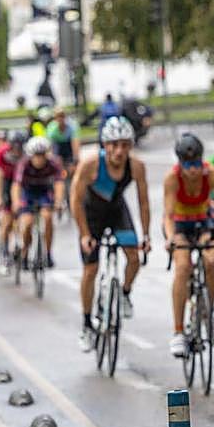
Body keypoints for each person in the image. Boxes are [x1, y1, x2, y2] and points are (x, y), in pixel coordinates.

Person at [71, 117, 150, 351]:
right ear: (105, 145)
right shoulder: (91, 164)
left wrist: (146, 235)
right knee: (91, 269)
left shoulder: (136, 166)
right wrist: (84, 234)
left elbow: (143, 202)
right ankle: (87, 324)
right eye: (114, 145)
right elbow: (75, 200)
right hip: (91, 214)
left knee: (134, 258)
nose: (119, 151)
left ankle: (124, 293)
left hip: (116, 211)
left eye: (125, 145)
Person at [162, 133, 214, 357]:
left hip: (204, 222)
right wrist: (170, 238)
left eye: (197, 163)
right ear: (180, 164)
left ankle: (208, 311)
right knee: (183, 267)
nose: (194, 170)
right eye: (188, 165)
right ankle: (178, 331)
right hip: (180, 225)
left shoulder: (213, 173)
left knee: (211, 261)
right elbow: (168, 216)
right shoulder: (172, 178)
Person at [11, 136, 65, 269]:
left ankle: (48, 253)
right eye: (36, 155)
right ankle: (25, 252)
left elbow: (59, 183)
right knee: (27, 223)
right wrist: (16, 201)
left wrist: (58, 201)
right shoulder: (24, 164)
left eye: (42, 155)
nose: (39, 159)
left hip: (44, 193)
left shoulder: (53, 163)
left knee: (47, 217)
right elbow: (16, 185)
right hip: (28, 193)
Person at [0, 130, 28, 272]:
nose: (17, 150)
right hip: (6, 181)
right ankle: (5, 251)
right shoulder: (1, 153)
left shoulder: (27, 154)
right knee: (7, 219)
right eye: (14, 147)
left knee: (23, 216)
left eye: (20, 147)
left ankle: (23, 248)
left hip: (22, 182)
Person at [46, 107, 79, 174]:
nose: (60, 119)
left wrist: (75, 159)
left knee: (71, 167)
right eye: (57, 117)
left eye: (62, 116)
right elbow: (50, 145)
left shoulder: (72, 126)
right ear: (55, 118)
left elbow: (75, 143)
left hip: (68, 144)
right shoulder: (51, 128)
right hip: (57, 144)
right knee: (56, 162)